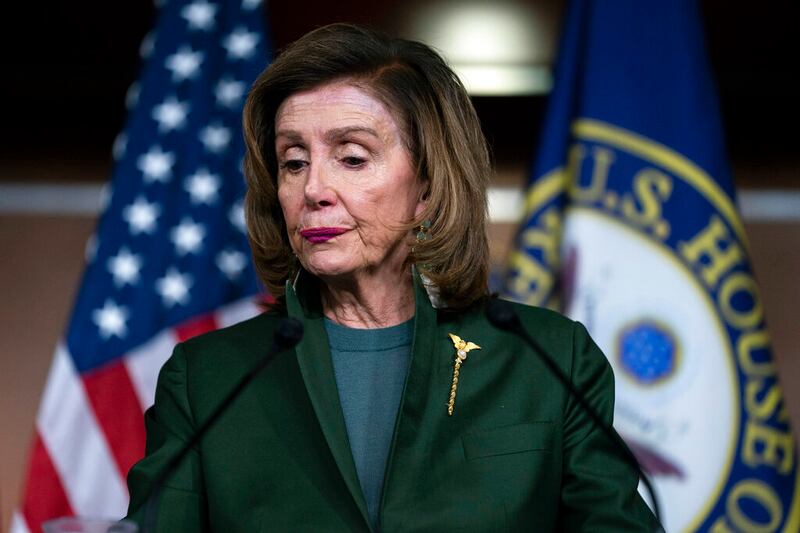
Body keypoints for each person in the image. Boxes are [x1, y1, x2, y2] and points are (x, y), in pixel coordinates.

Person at [126, 23, 659, 532]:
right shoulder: (208, 380)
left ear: (427, 185)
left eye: (352, 158)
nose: (314, 189)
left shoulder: (549, 361)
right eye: (293, 162)